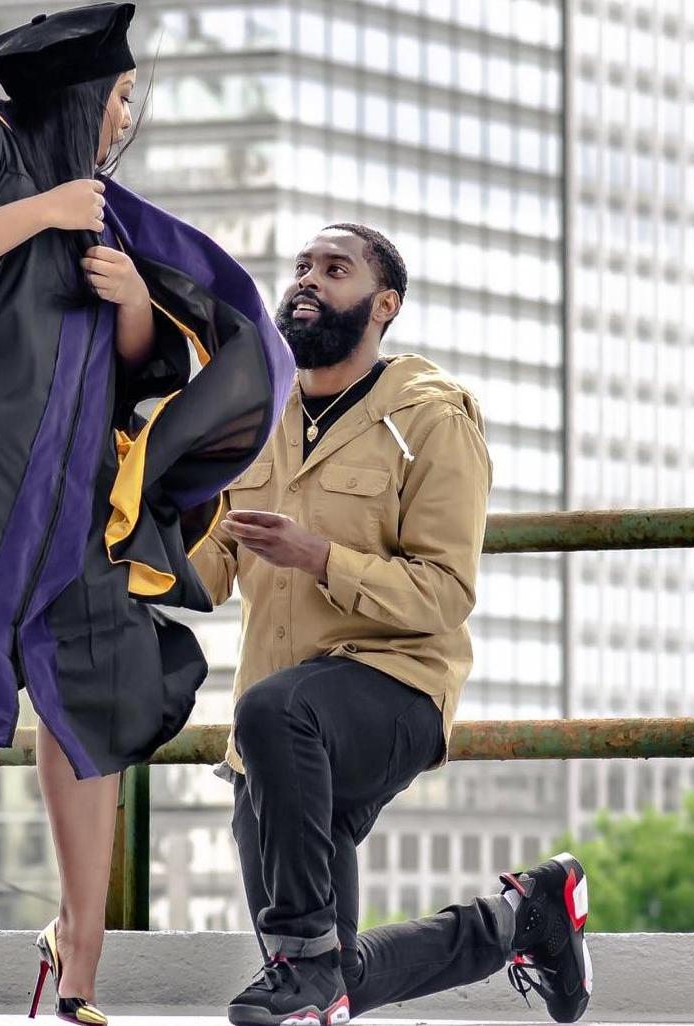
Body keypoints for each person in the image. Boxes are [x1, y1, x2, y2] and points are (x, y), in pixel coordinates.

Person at [0, 5, 293, 1024]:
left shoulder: (107, 208)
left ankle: (81, 943)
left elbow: (143, 364)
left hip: (78, 495)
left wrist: (134, 300)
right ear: (78, 93)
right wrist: (44, 212)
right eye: (119, 96)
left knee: (91, 695)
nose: (125, 115)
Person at [190, 224, 592, 1026]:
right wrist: (127, 539)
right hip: (278, 731)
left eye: (334, 269)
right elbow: (209, 570)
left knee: (297, 950)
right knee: (327, 977)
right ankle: (524, 919)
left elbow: (444, 593)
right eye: (303, 266)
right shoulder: (257, 413)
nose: (308, 280)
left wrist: (319, 557)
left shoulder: (432, 418)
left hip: (394, 690)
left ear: (384, 305)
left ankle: (306, 963)